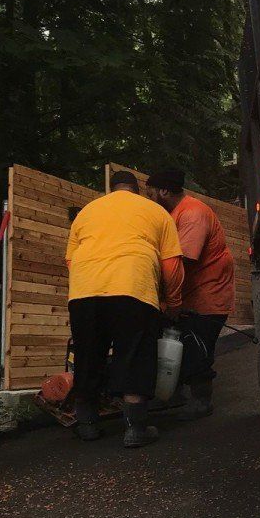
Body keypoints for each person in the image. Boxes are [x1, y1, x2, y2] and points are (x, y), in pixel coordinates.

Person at [65, 169, 184, 447]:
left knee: (88, 354)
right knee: (135, 353)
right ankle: (135, 429)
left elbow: (70, 260)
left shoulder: (87, 212)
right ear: (137, 190)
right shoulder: (155, 211)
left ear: (111, 189)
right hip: (133, 287)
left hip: (84, 291)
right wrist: (173, 302)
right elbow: (172, 265)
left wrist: (92, 284)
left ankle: (87, 424)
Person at [146, 168, 235, 418]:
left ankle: (201, 400)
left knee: (197, 348)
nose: (148, 199)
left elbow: (182, 261)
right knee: (175, 344)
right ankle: (171, 394)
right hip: (186, 295)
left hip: (207, 296)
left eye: (150, 193)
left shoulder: (193, 213)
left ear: (164, 191)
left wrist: (161, 294)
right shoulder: (174, 214)